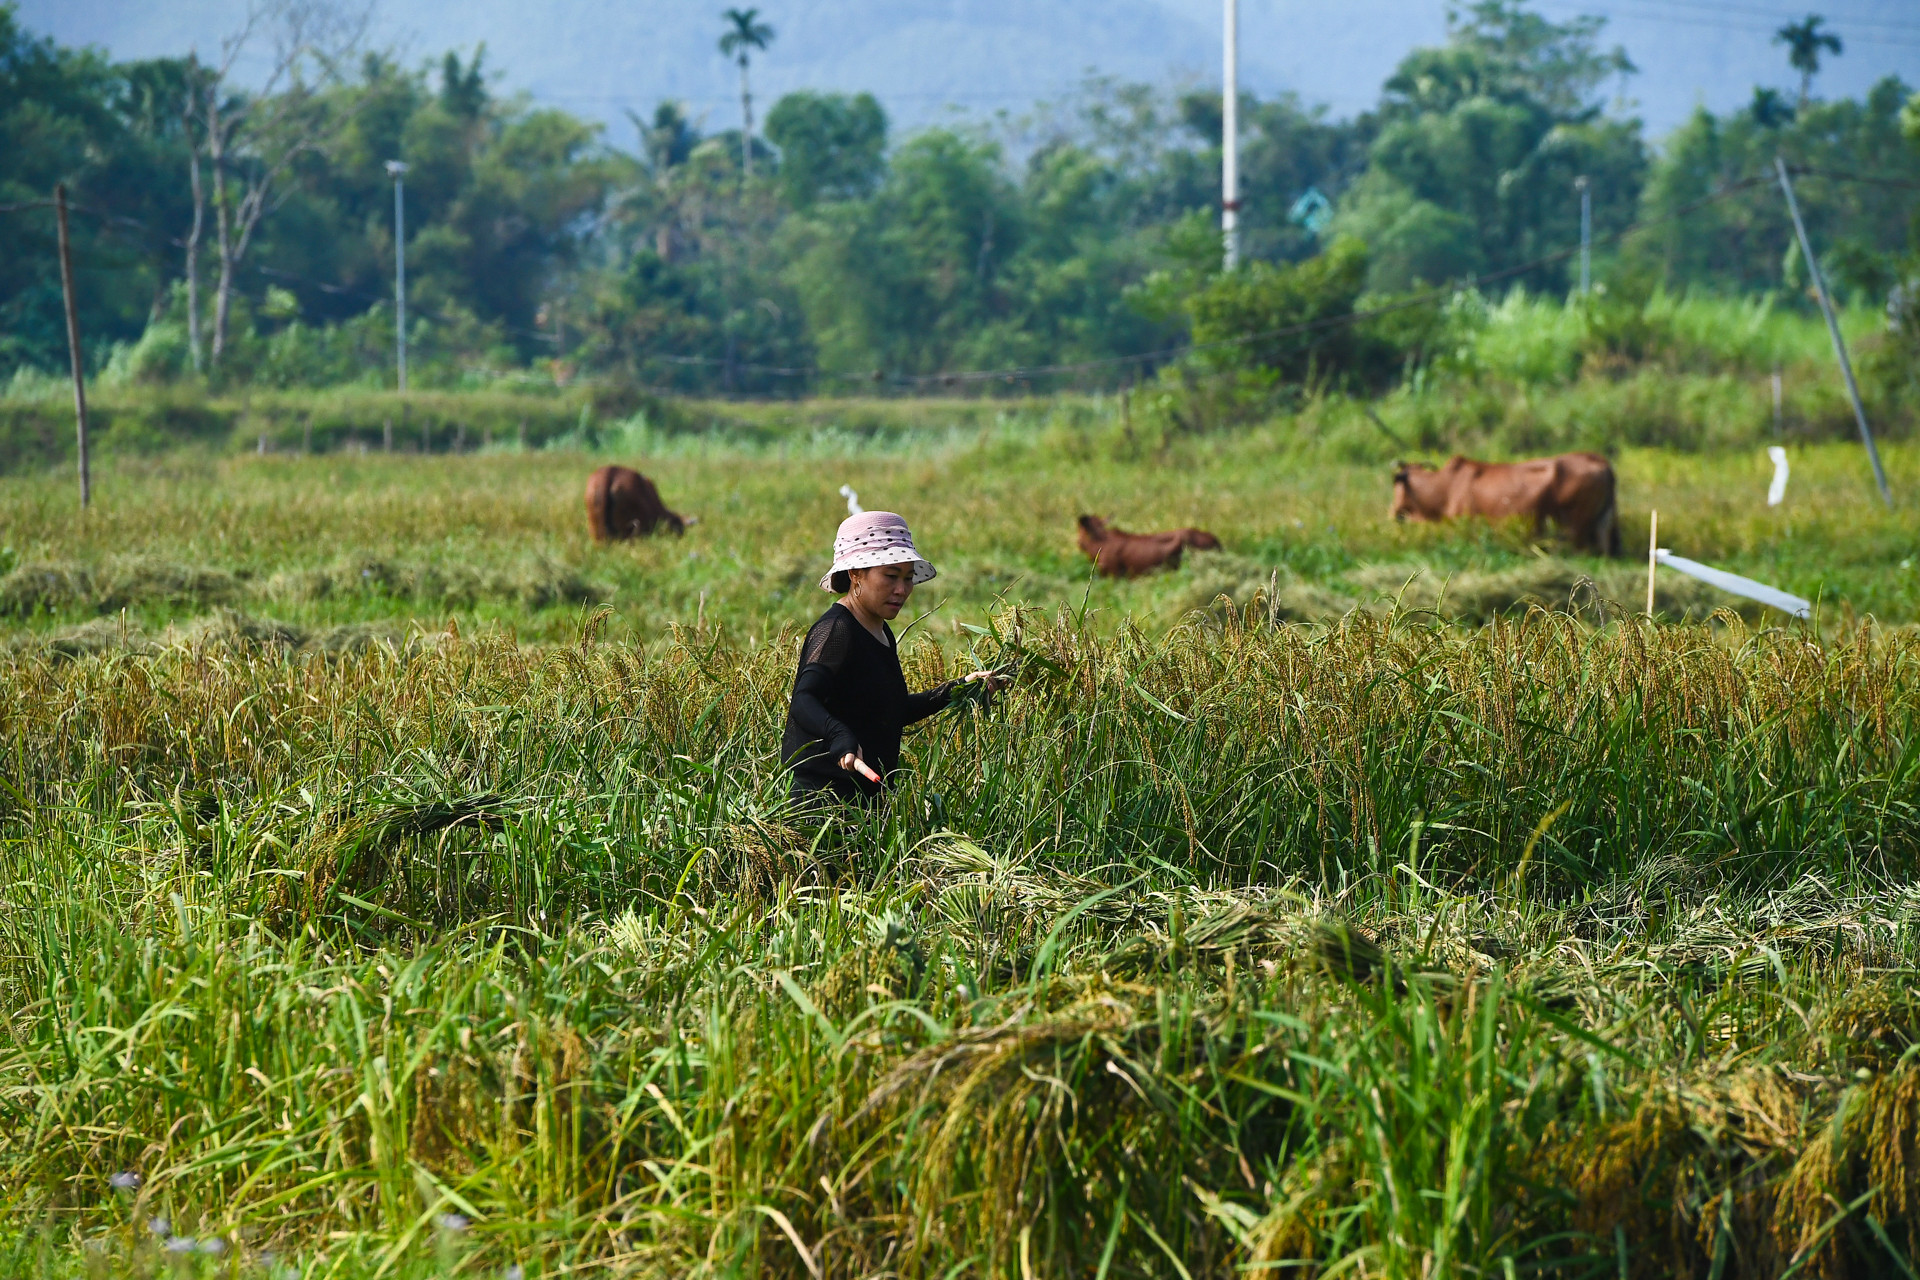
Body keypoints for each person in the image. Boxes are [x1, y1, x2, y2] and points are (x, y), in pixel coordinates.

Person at [782, 510, 1004, 804]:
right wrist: (839, 735)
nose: (902, 590)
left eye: (908, 578)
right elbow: (804, 700)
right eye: (890, 576)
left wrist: (959, 688)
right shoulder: (837, 630)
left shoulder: (880, 632)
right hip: (822, 803)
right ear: (855, 575)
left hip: (866, 804)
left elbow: (889, 710)